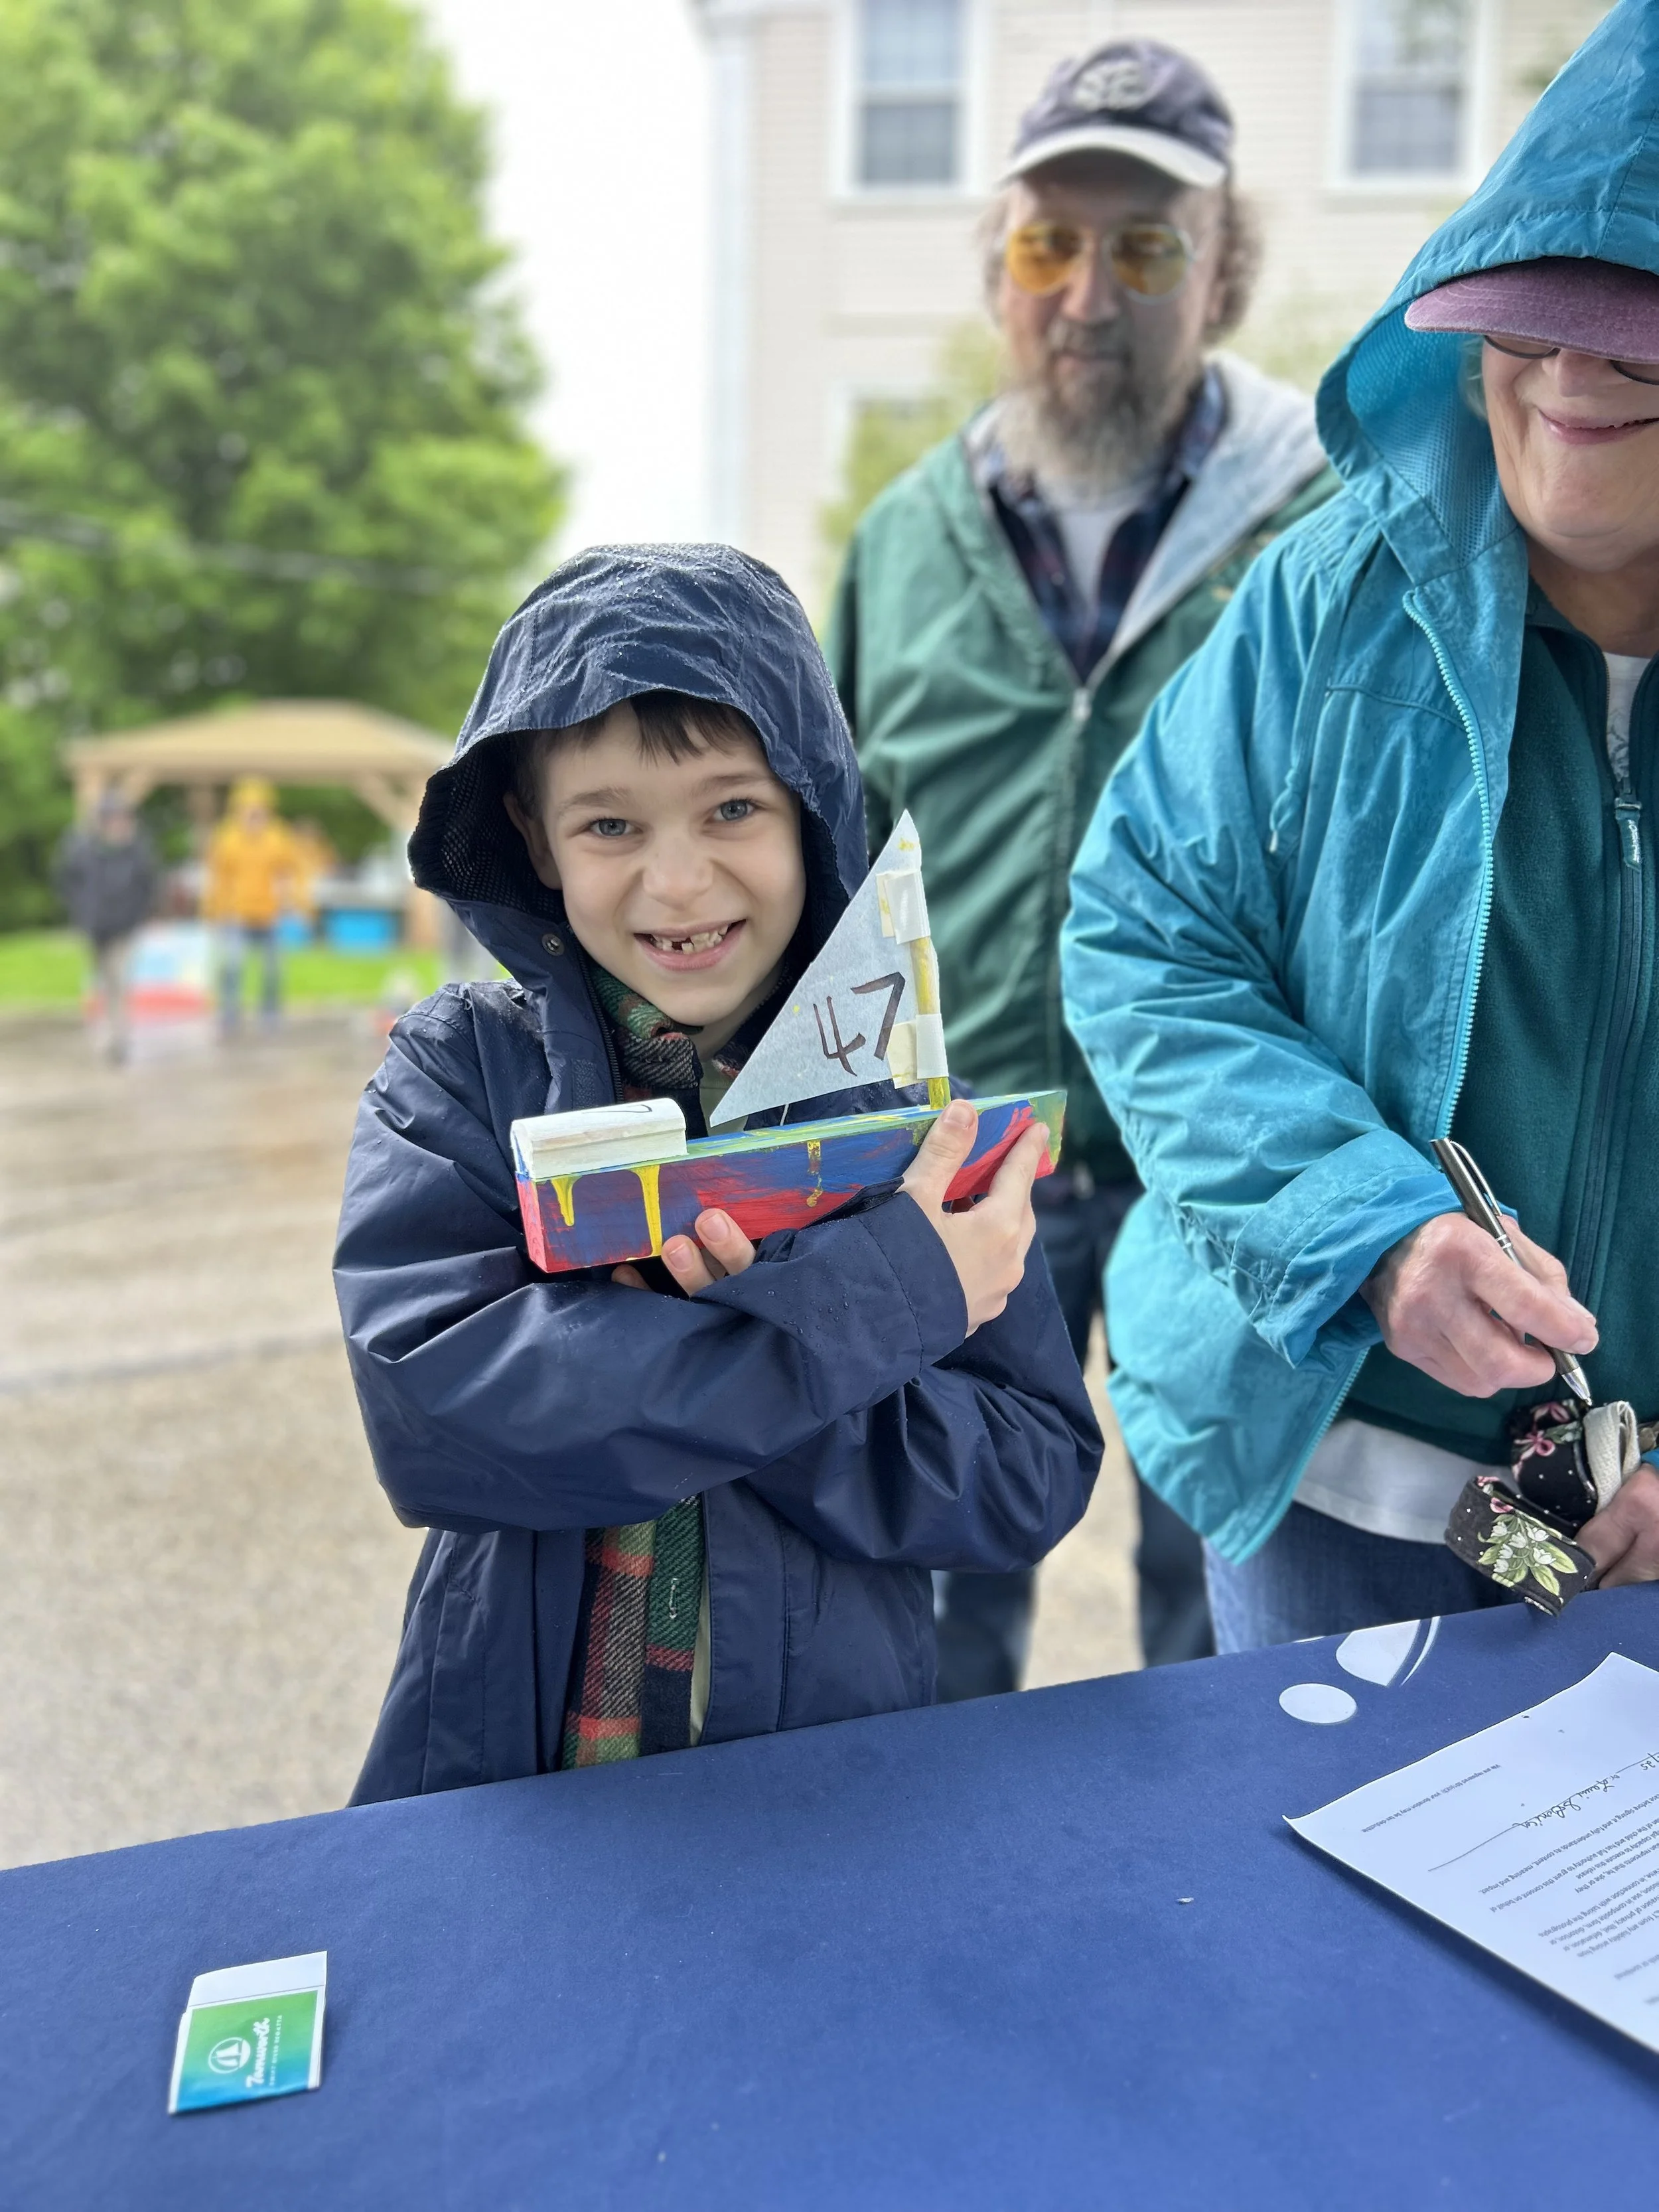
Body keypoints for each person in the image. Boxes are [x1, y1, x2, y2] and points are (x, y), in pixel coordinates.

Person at [1061, 0, 1659, 1651]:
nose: (1563, 379)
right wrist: (1375, 1234)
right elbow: (1141, 937)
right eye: (1527, 322)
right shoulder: (1325, 602)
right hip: (1323, 1475)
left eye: (1634, 332)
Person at [334, 544, 1100, 1800]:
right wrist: (874, 1305)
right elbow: (440, 1423)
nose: (677, 880)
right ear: (532, 835)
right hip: (507, 1782)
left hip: (818, 1794)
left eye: (732, 808)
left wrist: (681, 1372)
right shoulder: (459, 1075)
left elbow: (1028, 1474)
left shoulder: (913, 1117)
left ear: (811, 801)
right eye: (611, 824)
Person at [826, 38, 1334, 1690]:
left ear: (1224, 271)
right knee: (943, 1597)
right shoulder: (901, 547)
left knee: (1227, 1589)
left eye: (1146, 245)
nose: (1089, 294)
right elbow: (824, 866)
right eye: (1050, 245)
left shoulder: (1319, 531)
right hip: (964, 1159)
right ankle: (937, 1904)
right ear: (998, 274)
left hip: (1229, 1169)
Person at [54, 791, 158, 1063]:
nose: (117, 824)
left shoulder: (138, 849)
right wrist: (80, 912)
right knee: (104, 981)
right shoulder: (82, 848)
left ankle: (119, 1036)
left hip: (125, 927)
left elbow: (149, 885)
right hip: (96, 927)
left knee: (121, 980)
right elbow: (67, 881)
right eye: (112, 818)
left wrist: (138, 915)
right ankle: (109, 1030)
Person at [202, 777, 300, 1031]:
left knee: (272, 969)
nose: (254, 815)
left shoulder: (278, 837)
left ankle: (270, 1013)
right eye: (248, 809)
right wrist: (213, 911)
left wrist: (290, 900)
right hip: (236, 913)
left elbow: (289, 871)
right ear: (239, 810)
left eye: (259, 809)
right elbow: (217, 878)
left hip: (269, 913)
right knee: (233, 965)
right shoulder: (227, 839)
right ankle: (229, 1013)